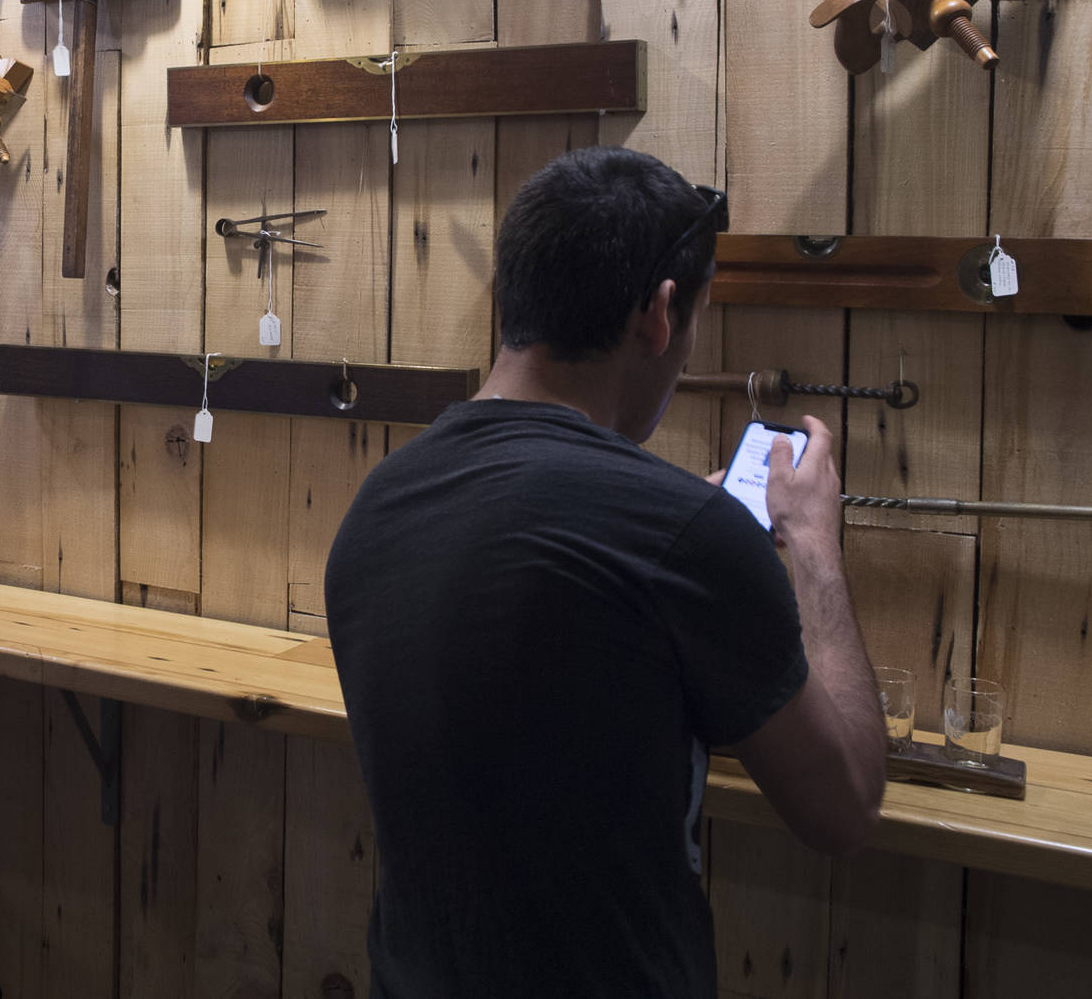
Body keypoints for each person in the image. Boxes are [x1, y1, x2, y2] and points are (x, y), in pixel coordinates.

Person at [325, 145, 884, 998]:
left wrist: (679, 540)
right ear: (659, 314)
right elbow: (844, 807)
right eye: (693, 325)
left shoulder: (377, 503)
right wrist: (812, 545)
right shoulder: (681, 536)